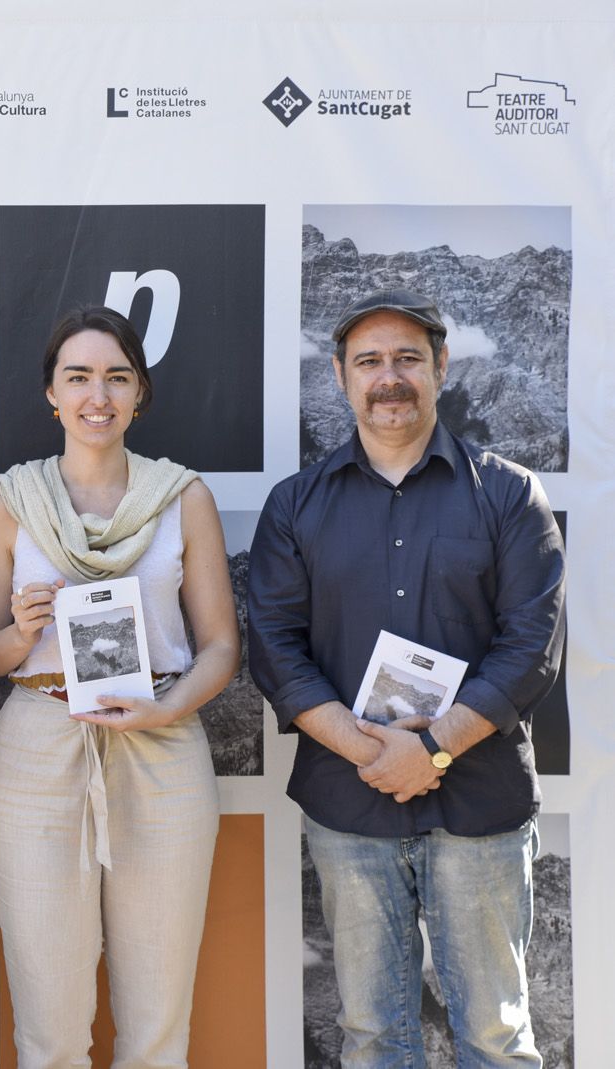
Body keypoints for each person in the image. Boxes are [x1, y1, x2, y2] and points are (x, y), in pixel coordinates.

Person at [248, 289, 565, 1067]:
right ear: (340, 375)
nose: (388, 377)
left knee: (495, 1036)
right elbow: (276, 649)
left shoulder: (510, 493)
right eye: (369, 361)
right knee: (372, 1036)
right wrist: (372, 752)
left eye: (406, 359)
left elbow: (532, 646)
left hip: (480, 800)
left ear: (441, 365)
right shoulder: (295, 505)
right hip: (349, 804)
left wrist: (434, 749)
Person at [0, 306, 238, 1068]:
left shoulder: (183, 498)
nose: (98, 395)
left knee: (157, 1029)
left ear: (140, 392)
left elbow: (221, 646)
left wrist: (166, 707)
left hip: (162, 740)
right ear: (50, 393)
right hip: (38, 746)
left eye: (117, 377)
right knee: (50, 1030)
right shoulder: (8, 503)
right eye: (78, 377)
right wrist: (20, 633)